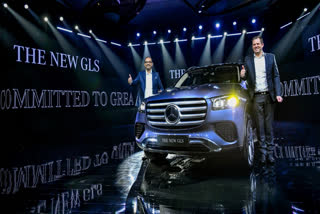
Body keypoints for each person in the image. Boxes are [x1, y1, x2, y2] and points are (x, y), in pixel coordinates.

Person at [240, 35, 283, 164]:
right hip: (256, 97)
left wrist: (278, 93)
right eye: (254, 45)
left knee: (268, 126)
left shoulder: (271, 57)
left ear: (262, 45)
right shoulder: (248, 60)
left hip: (269, 96)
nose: (256, 46)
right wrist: (242, 75)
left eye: (258, 44)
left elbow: (276, 76)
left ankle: (270, 154)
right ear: (252, 47)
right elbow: (245, 78)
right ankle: (263, 154)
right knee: (259, 126)